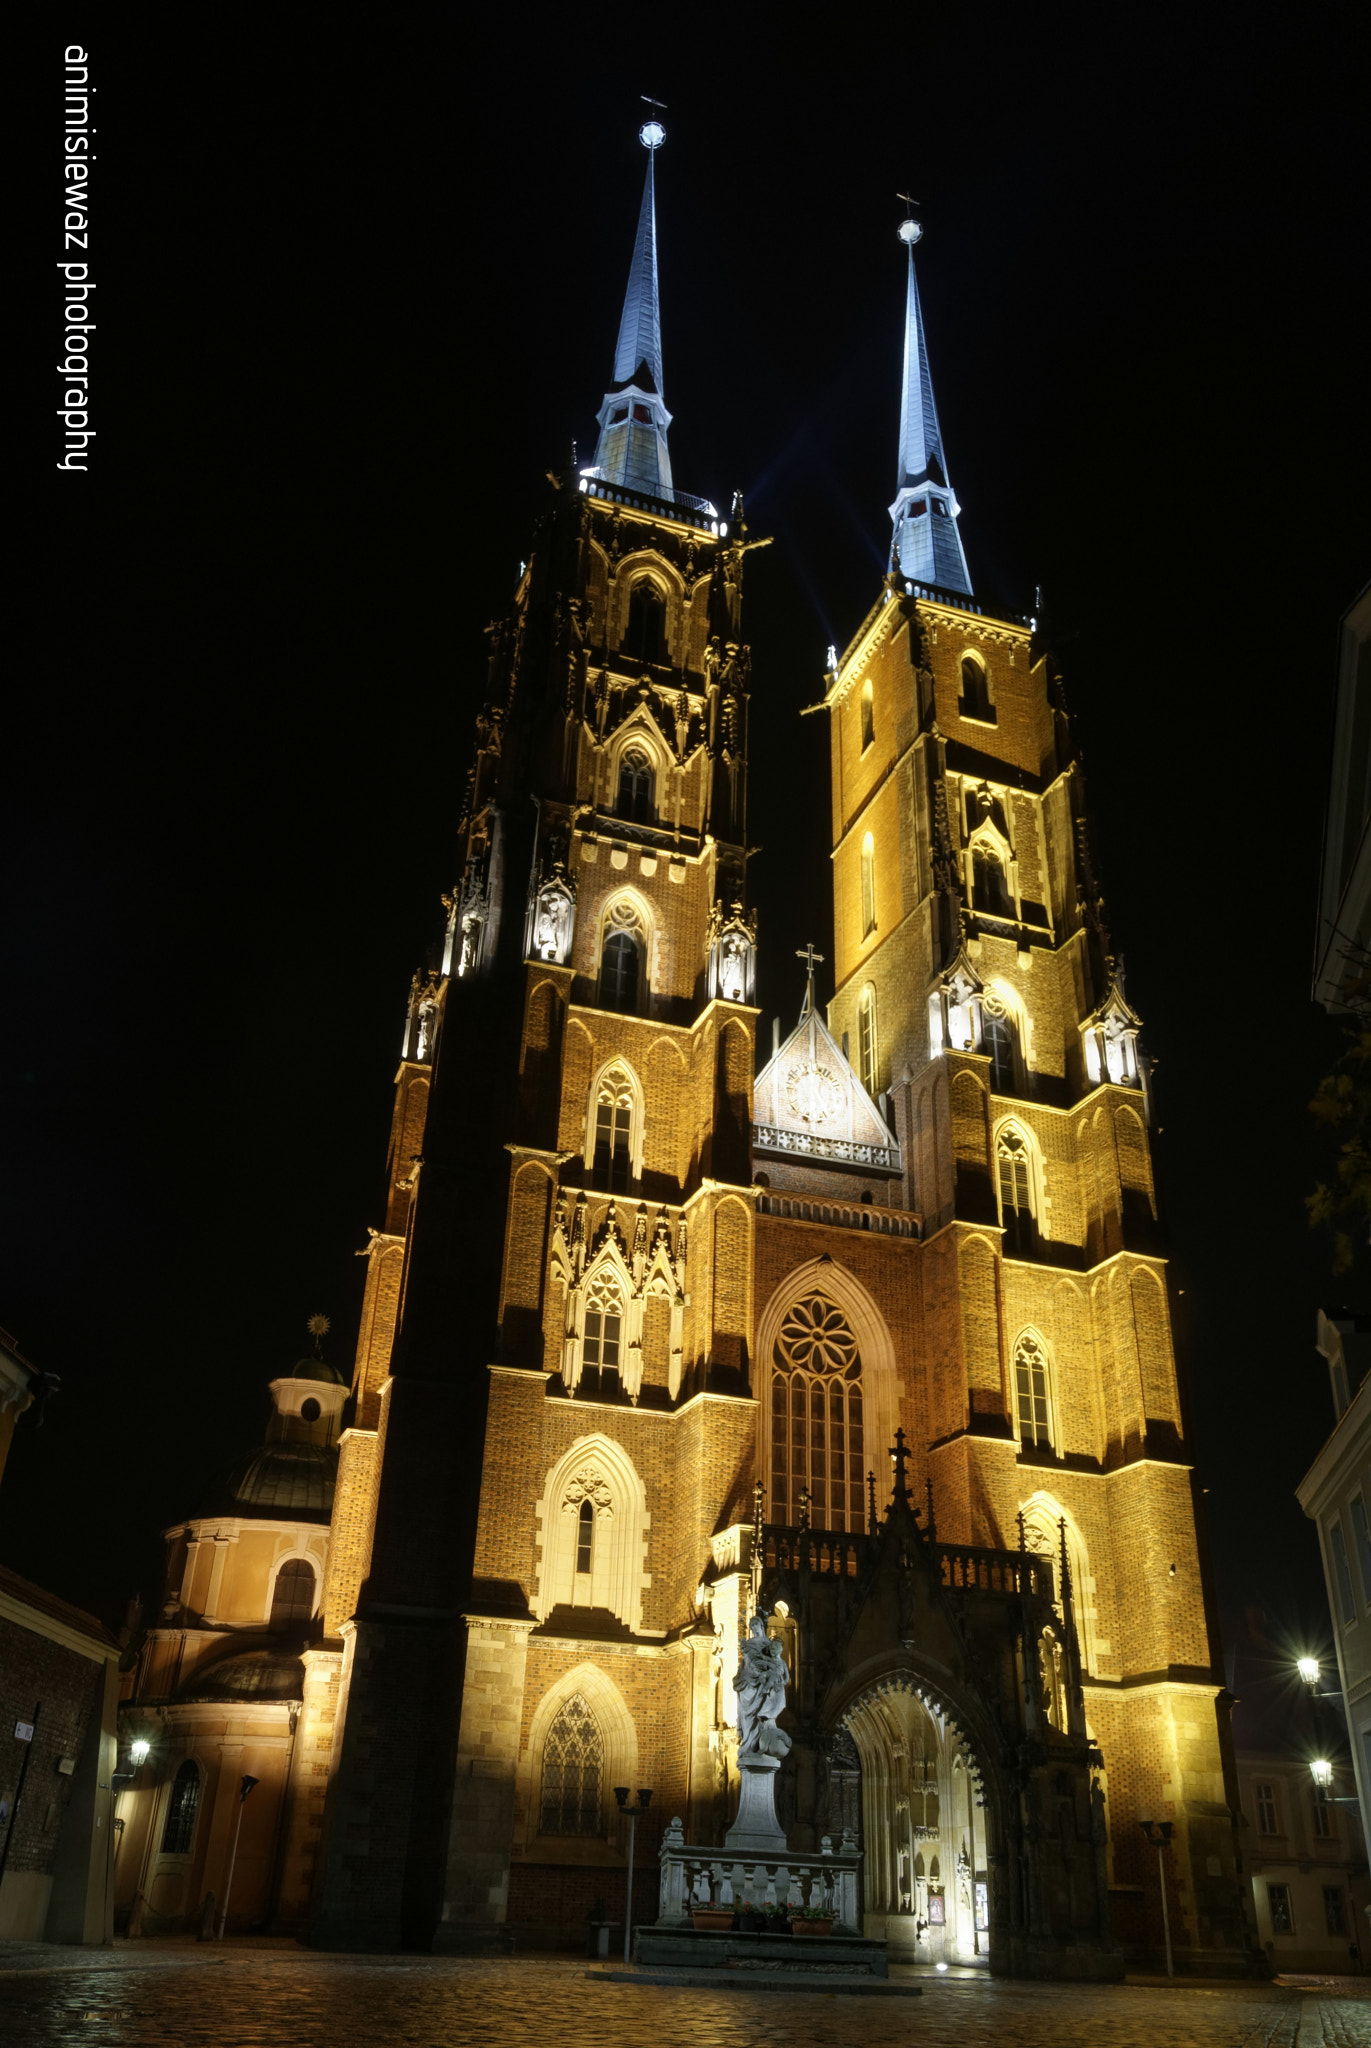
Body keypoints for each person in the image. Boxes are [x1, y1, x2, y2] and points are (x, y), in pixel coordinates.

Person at [734, 1613, 791, 1760]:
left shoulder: (767, 1644)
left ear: (761, 1626)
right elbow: (747, 1662)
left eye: (756, 1625)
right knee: (747, 1716)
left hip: (762, 1682)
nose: (754, 1628)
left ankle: (757, 1742)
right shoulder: (750, 1643)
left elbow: (780, 1669)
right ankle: (748, 1743)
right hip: (749, 1680)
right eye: (752, 1625)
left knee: (759, 1714)